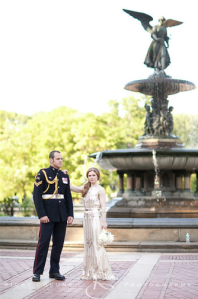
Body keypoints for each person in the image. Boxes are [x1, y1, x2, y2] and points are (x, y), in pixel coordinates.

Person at [32, 150, 73, 282]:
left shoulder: (64, 175)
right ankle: (37, 272)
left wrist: (70, 214)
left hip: (61, 215)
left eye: (61, 158)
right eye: (58, 159)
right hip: (47, 215)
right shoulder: (43, 173)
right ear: (51, 160)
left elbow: (68, 196)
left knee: (58, 244)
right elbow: (37, 196)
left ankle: (54, 271)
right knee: (43, 243)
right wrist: (42, 214)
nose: (61, 161)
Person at [68, 167, 115, 280]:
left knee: (96, 244)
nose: (91, 177)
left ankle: (101, 271)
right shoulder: (85, 188)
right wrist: (66, 177)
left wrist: (104, 221)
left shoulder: (100, 189)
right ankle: (89, 271)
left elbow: (103, 207)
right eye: (89, 175)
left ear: (98, 176)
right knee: (88, 244)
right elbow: (71, 187)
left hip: (95, 218)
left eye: (93, 175)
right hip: (86, 218)